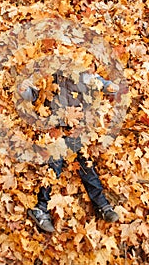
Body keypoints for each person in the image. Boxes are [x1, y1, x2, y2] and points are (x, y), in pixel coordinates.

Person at [18, 71, 120, 233]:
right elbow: (33, 93)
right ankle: (41, 208)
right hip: (55, 131)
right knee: (53, 167)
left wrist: (109, 87)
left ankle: (102, 204)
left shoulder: (83, 76)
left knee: (87, 166)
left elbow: (101, 83)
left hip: (76, 131)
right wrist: (24, 90)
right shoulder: (48, 75)